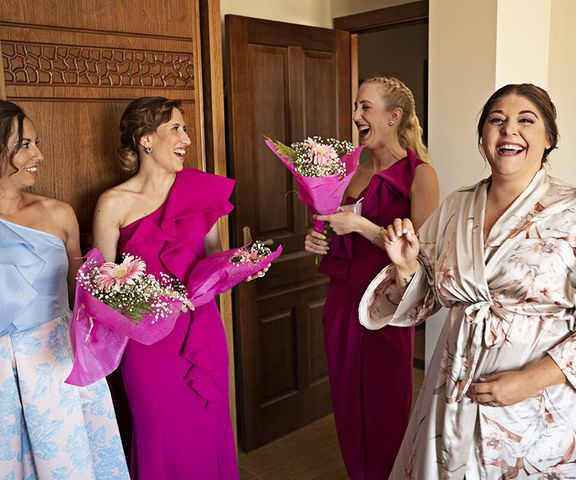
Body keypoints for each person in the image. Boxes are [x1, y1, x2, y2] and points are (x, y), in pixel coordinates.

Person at [359, 84, 576, 478]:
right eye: (496, 121)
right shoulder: (457, 206)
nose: (509, 131)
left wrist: (530, 381)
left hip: (542, 407)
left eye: (526, 120)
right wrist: (407, 267)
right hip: (454, 387)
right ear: (483, 138)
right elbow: (428, 296)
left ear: (549, 138)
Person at [93, 97, 264, 479]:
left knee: (207, 432)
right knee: (159, 437)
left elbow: (214, 262)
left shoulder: (200, 190)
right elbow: (100, 289)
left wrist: (240, 268)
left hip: (200, 333)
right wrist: (150, 302)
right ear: (144, 139)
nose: (186, 138)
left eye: (185, 129)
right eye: (176, 128)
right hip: (147, 344)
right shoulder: (113, 203)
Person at [304, 76, 439, 479]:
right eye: (355, 107)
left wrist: (362, 227)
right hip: (341, 299)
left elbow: (425, 258)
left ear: (394, 116)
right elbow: (336, 229)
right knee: (346, 403)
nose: (355, 116)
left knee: (384, 406)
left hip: (386, 306)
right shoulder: (350, 170)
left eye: (365, 107)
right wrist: (319, 239)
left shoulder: (420, 174)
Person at [0, 100, 129, 478]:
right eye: (24, 145)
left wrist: (130, 301)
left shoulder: (58, 213)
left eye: (36, 142)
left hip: (56, 359)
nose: (38, 154)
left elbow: (85, 291)